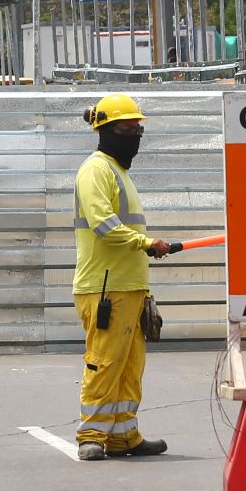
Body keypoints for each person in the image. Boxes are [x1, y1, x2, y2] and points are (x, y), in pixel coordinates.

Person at [72, 92, 171, 461]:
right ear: (104, 130)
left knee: (130, 365)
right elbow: (104, 225)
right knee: (105, 361)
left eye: (137, 129)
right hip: (105, 287)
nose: (134, 135)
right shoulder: (96, 170)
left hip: (129, 286)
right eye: (127, 129)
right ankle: (92, 435)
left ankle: (124, 434)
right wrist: (147, 242)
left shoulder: (120, 173)